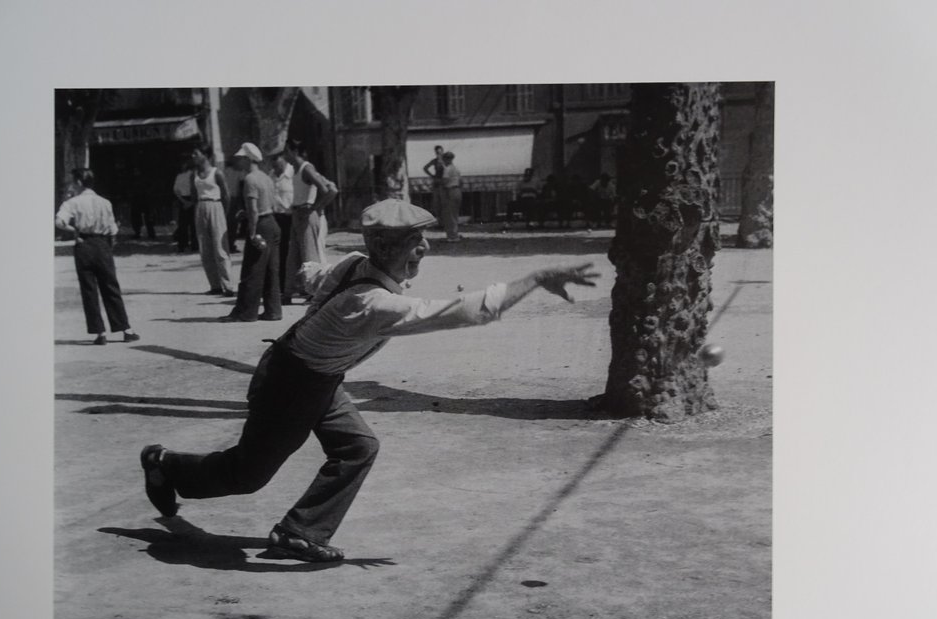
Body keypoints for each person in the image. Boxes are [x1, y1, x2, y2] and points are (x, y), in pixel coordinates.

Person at [139, 198, 598, 562]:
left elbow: (317, 273)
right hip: (290, 383)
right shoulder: (371, 304)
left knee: (357, 447)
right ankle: (164, 462)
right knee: (247, 475)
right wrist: (537, 276)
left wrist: (309, 273)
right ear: (386, 248)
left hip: (313, 376)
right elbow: (468, 311)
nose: (426, 249)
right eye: (416, 241)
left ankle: (299, 532)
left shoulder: (358, 263)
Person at [55, 168, 140, 346]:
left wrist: (74, 230)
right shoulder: (105, 202)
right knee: (111, 286)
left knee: (89, 289)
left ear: (78, 182)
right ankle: (126, 329)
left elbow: (59, 222)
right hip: (102, 245)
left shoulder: (72, 203)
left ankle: (99, 333)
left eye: (73, 181)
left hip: (83, 245)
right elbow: (112, 229)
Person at [221, 143, 282, 323]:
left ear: (248, 159)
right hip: (272, 223)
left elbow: (254, 209)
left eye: (240, 158)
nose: (238, 162)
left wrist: (252, 231)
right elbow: (269, 203)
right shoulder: (266, 177)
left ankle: (246, 312)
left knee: (252, 270)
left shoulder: (250, 180)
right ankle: (273, 310)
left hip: (261, 225)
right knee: (271, 270)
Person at [283, 138, 337, 301]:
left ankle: (315, 293)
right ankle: (288, 292)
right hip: (297, 213)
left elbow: (328, 190)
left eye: (286, 151)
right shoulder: (294, 170)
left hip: (306, 215)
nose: (285, 156)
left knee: (309, 255)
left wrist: (315, 207)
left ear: (294, 151)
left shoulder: (307, 168)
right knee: (293, 255)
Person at [190, 144, 235, 296]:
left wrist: (224, 213)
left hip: (216, 206)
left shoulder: (217, 173)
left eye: (196, 153)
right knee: (205, 249)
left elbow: (226, 195)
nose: (193, 156)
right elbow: (193, 194)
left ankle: (228, 286)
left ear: (205, 155)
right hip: (200, 207)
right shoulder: (194, 174)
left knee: (220, 248)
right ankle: (215, 285)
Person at [270, 151, 295, 301]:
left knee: (291, 252)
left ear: (283, 159)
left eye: (276, 160)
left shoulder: (292, 172)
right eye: (272, 161)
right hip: (276, 216)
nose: (274, 164)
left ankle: (295, 286)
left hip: (290, 216)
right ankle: (281, 284)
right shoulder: (271, 174)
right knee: (279, 252)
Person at [172, 159, 197, 253]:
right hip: (188, 199)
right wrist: (187, 202)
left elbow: (176, 190)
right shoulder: (182, 176)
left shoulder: (186, 175)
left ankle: (188, 245)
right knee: (188, 224)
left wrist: (187, 202)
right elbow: (176, 190)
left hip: (188, 199)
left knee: (188, 224)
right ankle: (189, 245)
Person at [439, 151, 462, 242]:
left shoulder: (447, 169)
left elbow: (444, 181)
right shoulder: (456, 168)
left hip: (449, 191)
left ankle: (452, 236)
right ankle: (455, 233)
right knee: (455, 213)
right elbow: (461, 181)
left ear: (446, 159)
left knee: (449, 214)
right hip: (457, 190)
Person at [422, 145, 445, 221]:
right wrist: (432, 175)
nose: (438, 154)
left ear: (442, 152)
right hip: (436, 183)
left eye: (439, 152)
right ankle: (439, 221)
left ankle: (445, 221)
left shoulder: (445, 161)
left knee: (444, 202)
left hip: (444, 183)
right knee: (437, 203)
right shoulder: (434, 161)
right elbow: (425, 168)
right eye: (437, 152)